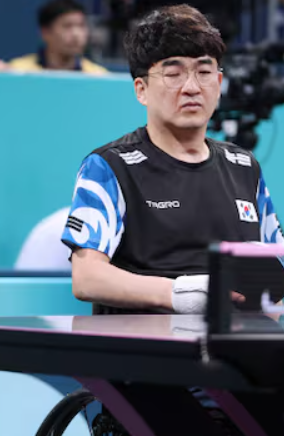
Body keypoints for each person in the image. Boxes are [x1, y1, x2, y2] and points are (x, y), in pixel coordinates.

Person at [61, 4, 284, 315]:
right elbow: (87, 279)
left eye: (204, 72)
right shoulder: (109, 166)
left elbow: (277, 271)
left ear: (219, 83)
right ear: (141, 89)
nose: (192, 87)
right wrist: (182, 293)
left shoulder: (244, 166)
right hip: (144, 342)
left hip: (236, 340)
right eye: (173, 74)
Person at [8, 0, 107, 74]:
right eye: (67, 26)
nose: (76, 34)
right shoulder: (16, 71)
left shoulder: (98, 76)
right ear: (45, 32)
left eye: (81, 26)